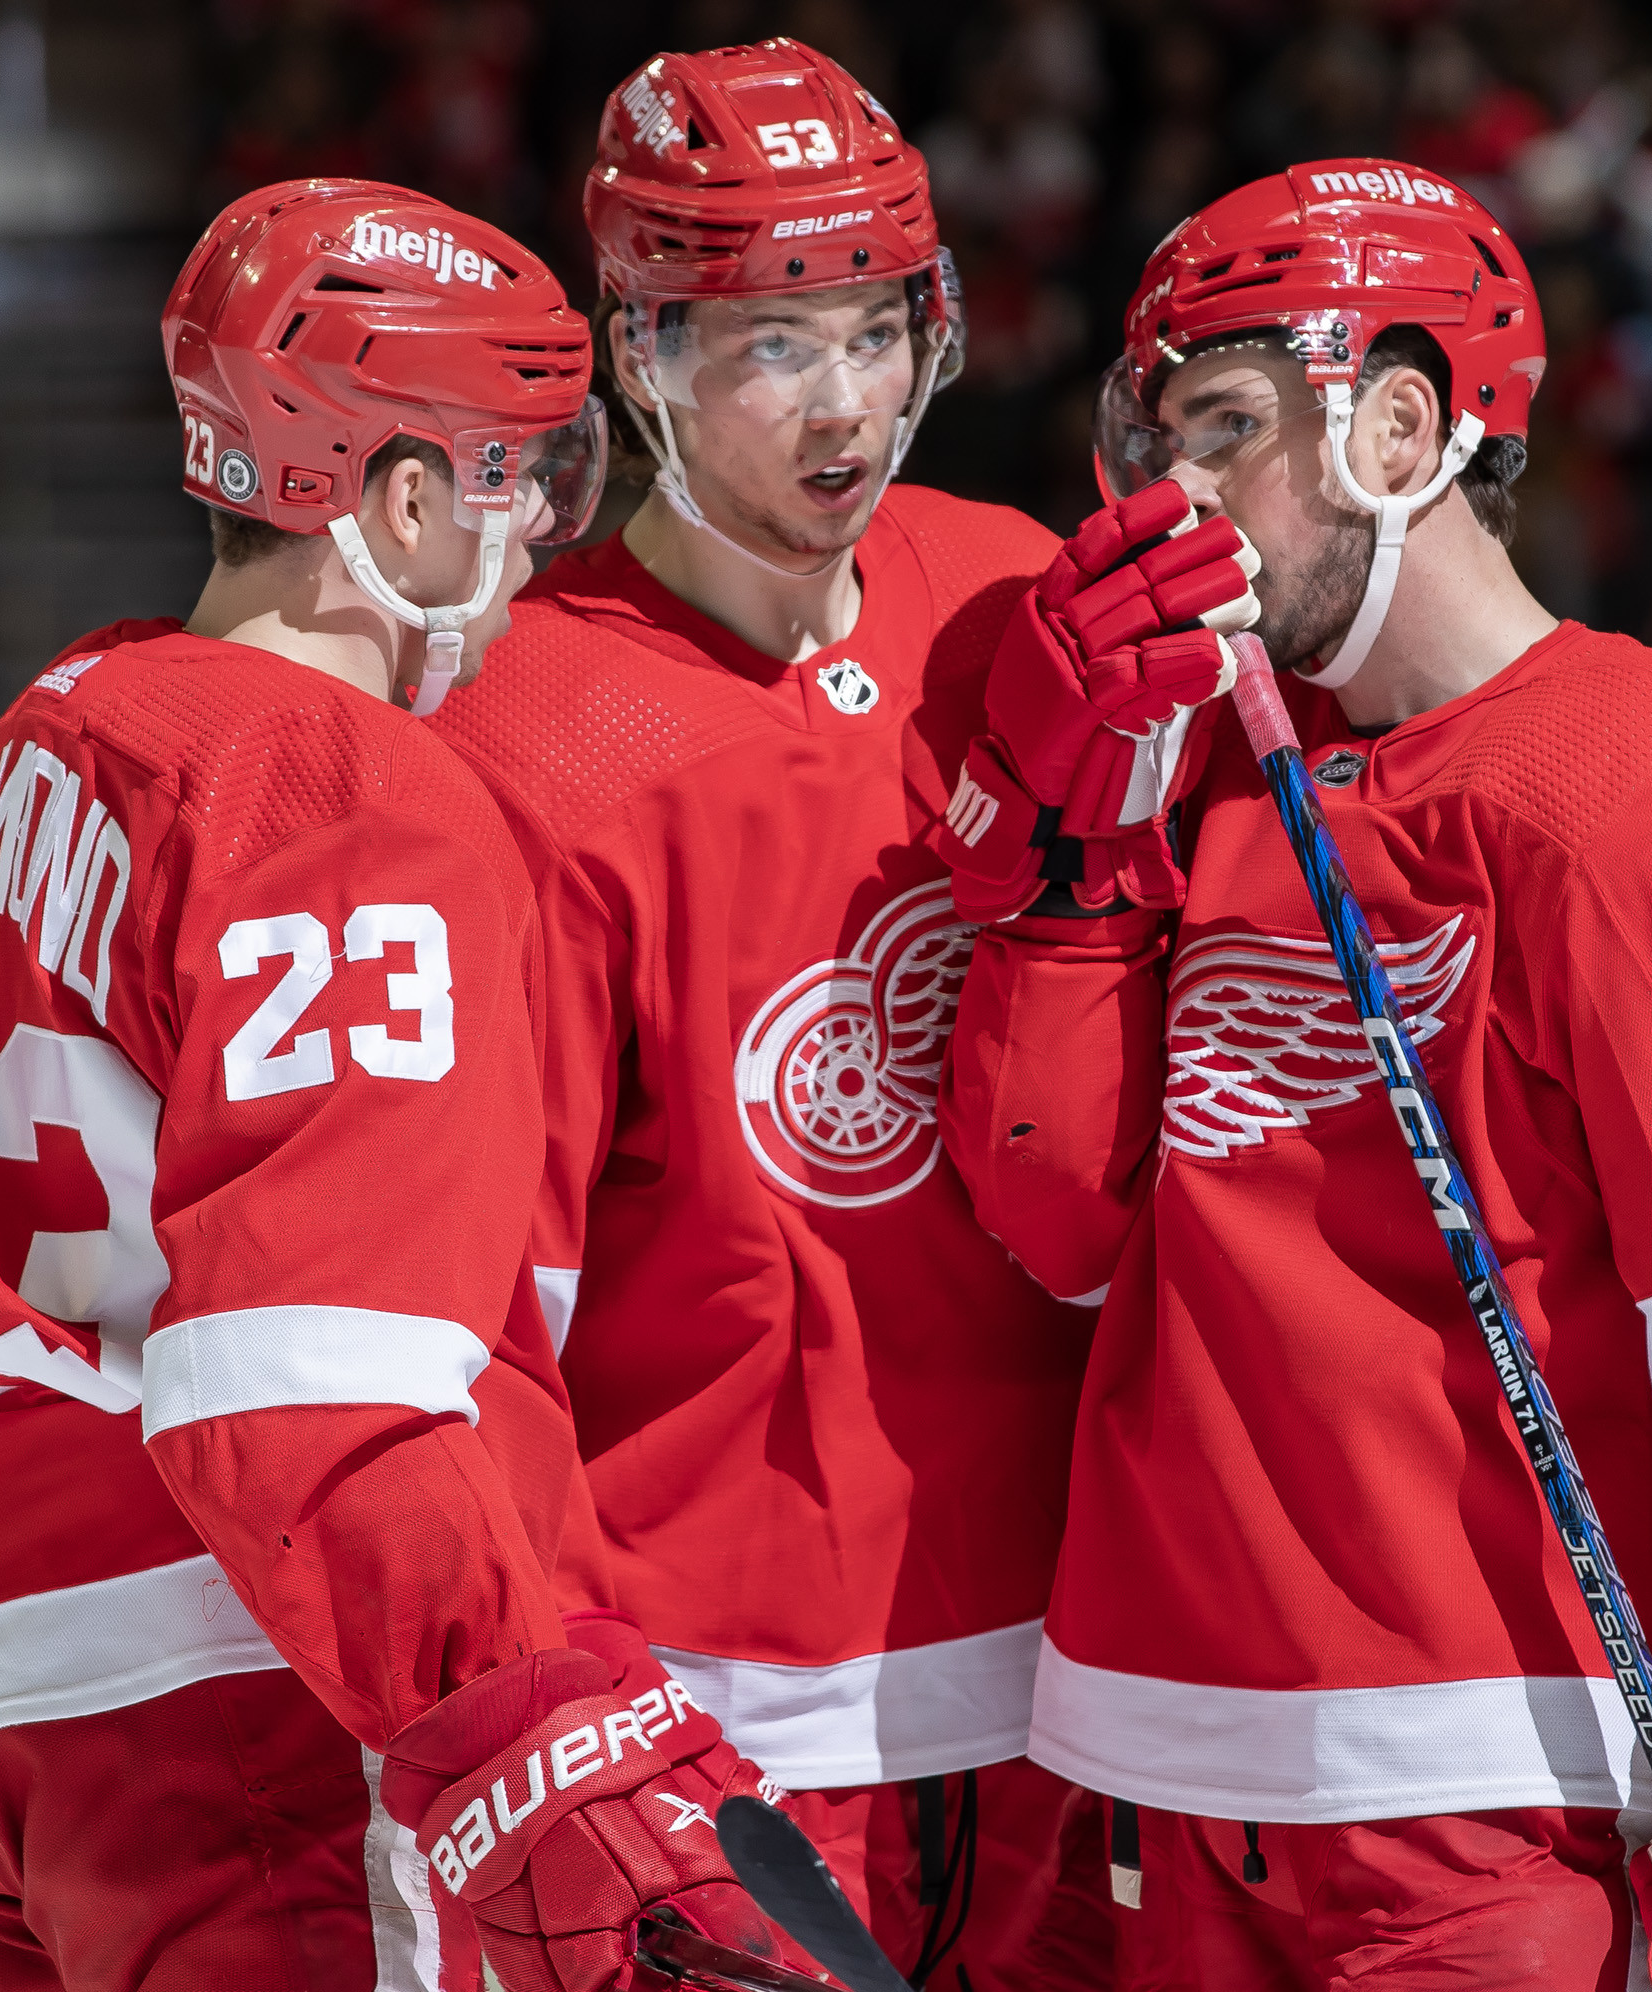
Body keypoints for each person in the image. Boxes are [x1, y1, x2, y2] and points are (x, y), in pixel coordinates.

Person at [934, 162, 1652, 1992]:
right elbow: (1066, 1223)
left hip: (1494, 1800)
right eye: (1163, 438)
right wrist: (1067, 858)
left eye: (1231, 431)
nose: (1181, 499)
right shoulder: (1221, 767)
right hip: (1142, 1780)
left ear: (1403, 425)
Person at [0, 179, 826, 1992]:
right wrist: (525, 1726)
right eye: (511, 479)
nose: (543, 535)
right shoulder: (344, 782)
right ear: (394, 502)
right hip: (230, 1692)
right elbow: (311, 1382)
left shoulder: (55, 724)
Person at [423, 42, 1115, 1989]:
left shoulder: (1014, 605)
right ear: (641, 352)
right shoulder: (517, 737)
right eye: (773, 347)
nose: (849, 405)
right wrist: (568, 1710)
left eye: (876, 330)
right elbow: (484, 1320)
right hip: (724, 1729)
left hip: (1078, 1696)